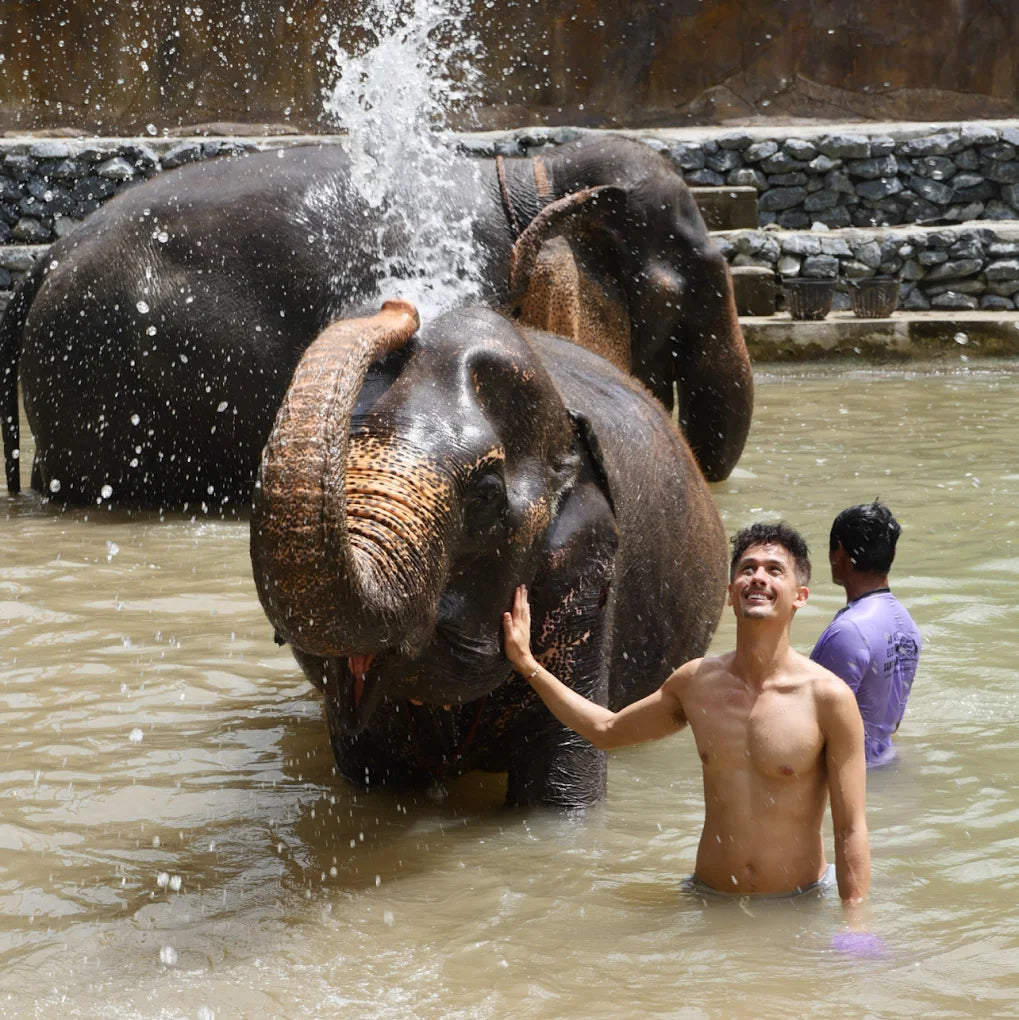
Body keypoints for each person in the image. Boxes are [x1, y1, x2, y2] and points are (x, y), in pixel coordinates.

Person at [502, 520, 870, 907]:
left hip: (797, 904)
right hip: (708, 899)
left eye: (774, 570)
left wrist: (855, 926)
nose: (758, 578)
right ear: (731, 594)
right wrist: (527, 664)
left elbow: (850, 829)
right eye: (747, 569)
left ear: (800, 596)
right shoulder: (696, 683)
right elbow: (606, 730)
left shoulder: (828, 699)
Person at [810, 501, 922, 768]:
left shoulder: (849, 631)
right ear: (892, 554)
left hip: (845, 773)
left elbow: (810, 723)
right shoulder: (908, 625)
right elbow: (891, 721)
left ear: (838, 552)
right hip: (883, 762)